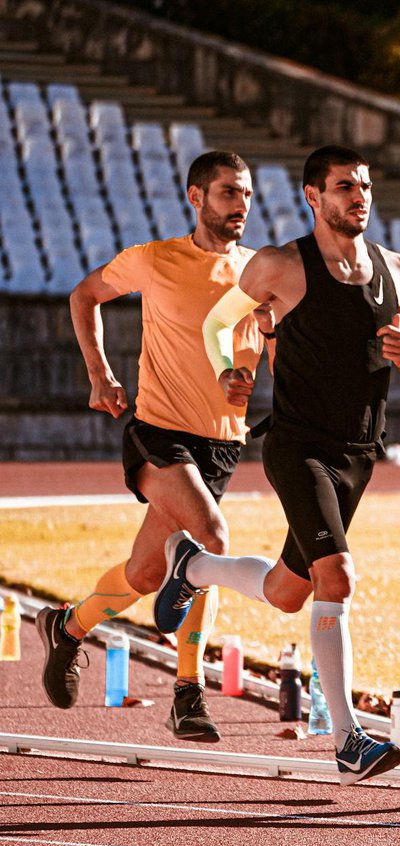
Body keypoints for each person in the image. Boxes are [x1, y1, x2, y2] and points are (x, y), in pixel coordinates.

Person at [152, 145, 400, 785]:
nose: (358, 196)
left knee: (291, 591)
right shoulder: (282, 265)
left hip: (359, 453)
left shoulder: (398, 270)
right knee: (337, 577)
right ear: (314, 196)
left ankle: (191, 565)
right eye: (343, 187)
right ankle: (346, 738)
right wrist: (231, 369)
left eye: (364, 185)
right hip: (298, 445)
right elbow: (218, 323)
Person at [36, 151, 264, 743]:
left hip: (222, 445)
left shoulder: (261, 275)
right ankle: (189, 693)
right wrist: (100, 375)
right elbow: (83, 296)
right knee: (210, 541)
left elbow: (279, 344)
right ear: (196, 197)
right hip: (158, 430)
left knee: (144, 573)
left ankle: (67, 626)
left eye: (245, 194)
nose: (240, 205)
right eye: (227, 194)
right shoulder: (155, 259)